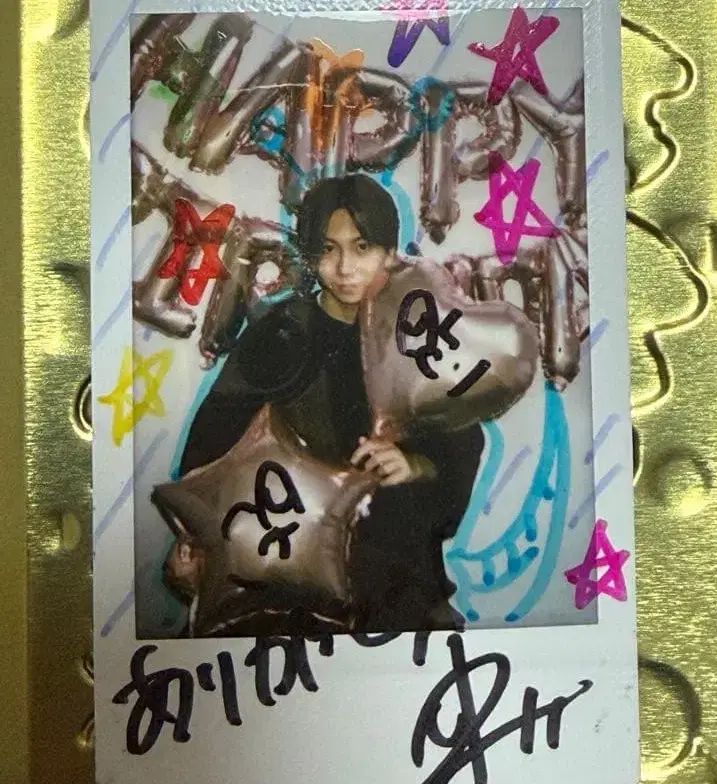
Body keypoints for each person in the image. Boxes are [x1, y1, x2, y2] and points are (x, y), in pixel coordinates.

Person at [169, 174, 484, 635]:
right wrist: (196, 542)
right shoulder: (281, 332)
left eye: (362, 247)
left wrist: (414, 464)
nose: (345, 267)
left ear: (389, 253)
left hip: (395, 579)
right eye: (328, 249)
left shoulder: (418, 332)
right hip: (288, 586)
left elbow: (462, 443)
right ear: (311, 254)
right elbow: (210, 449)